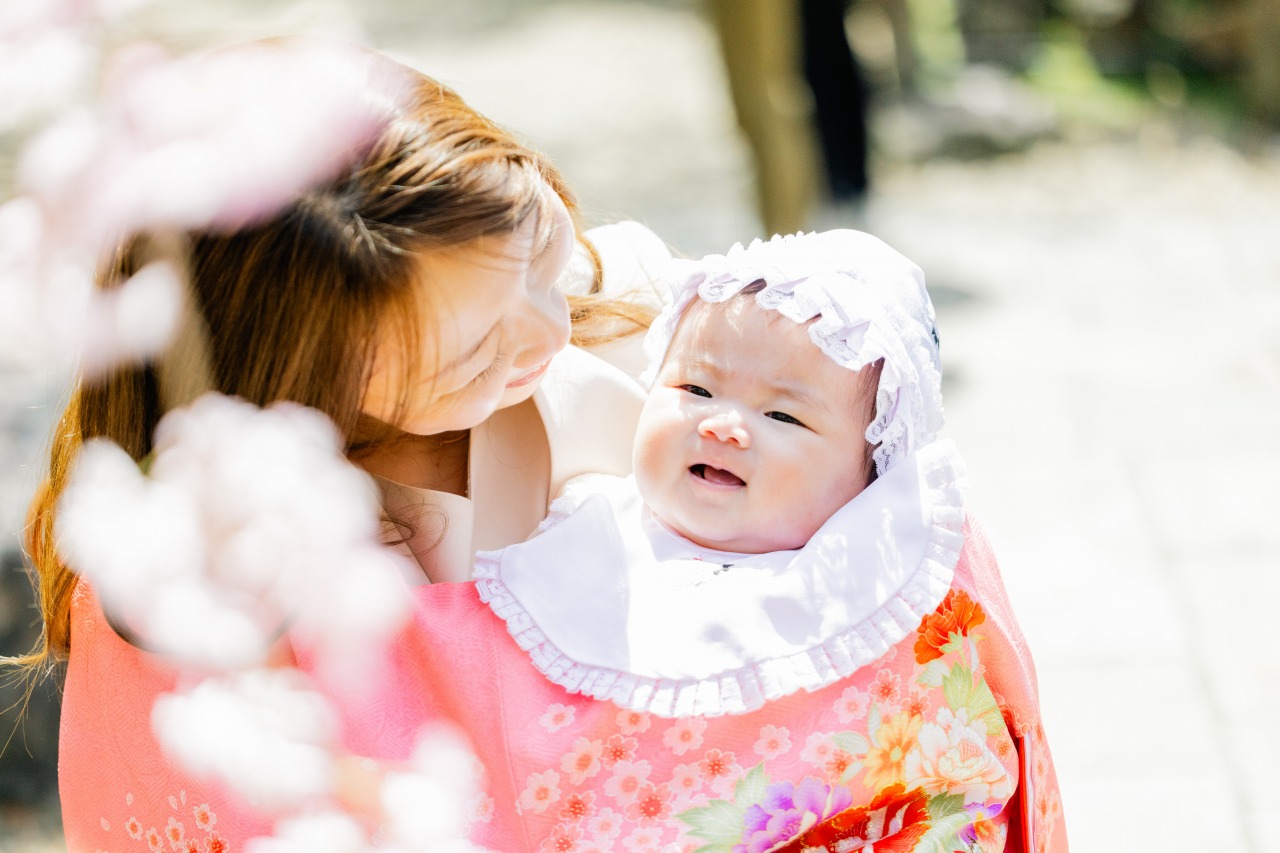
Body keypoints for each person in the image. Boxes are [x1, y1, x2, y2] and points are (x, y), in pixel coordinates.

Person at [15, 45, 676, 852]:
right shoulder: (239, 566)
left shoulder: (657, 309)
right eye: (474, 352)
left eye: (543, 252)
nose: (554, 329)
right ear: (301, 385)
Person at [379, 230, 1068, 850]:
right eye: (695, 388)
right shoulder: (588, 535)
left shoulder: (883, 581)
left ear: (868, 477)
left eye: (782, 415)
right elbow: (467, 665)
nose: (723, 425)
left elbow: (972, 745)